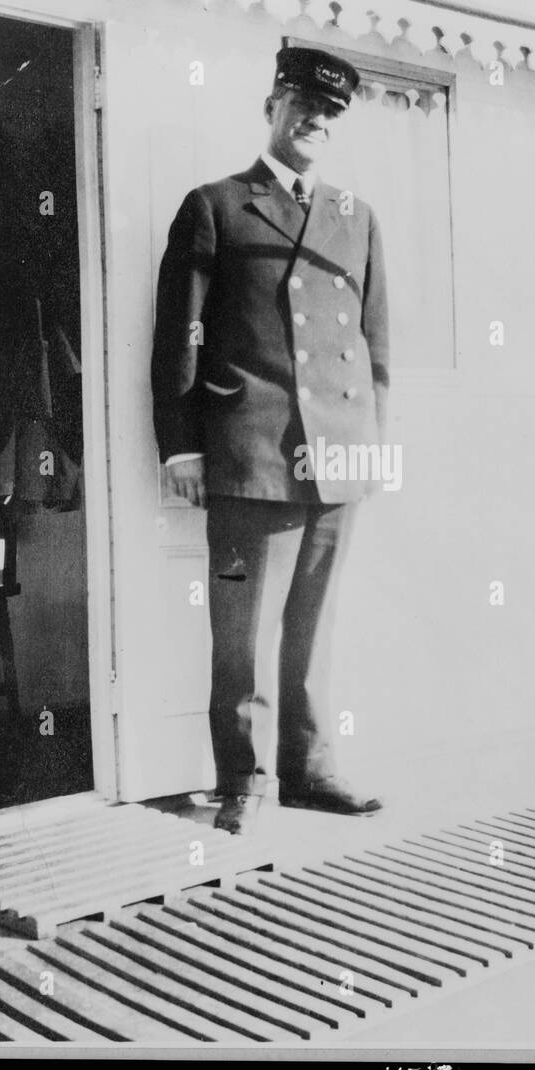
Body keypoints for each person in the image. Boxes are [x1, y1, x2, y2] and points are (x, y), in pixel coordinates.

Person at [151, 43, 390, 836]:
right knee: (241, 635)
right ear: (271, 110)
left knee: (314, 625)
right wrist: (180, 447)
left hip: (339, 454)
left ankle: (310, 769)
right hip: (251, 453)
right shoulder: (215, 205)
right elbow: (178, 337)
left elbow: (374, 345)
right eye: (301, 108)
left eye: (329, 115)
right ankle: (241, 782)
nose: (314, 122)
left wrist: (371, 440)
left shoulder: (356, 218)